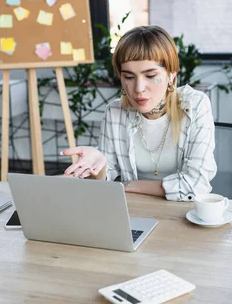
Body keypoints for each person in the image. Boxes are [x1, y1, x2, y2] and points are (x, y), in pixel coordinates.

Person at [61, 25, 216, 201]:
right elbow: (105, 181)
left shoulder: (195, 106)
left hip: (183, 213)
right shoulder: (115, 112)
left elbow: (196, 186)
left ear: (171, 74)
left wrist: (129, 185)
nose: (139, 89)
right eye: (128, 77)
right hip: (133, 211)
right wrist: (100, 166)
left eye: (150, 76)